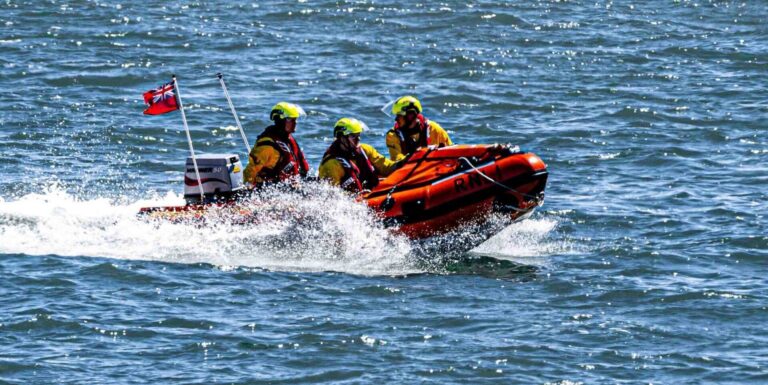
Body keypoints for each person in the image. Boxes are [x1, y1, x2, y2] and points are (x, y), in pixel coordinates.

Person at [319, 118, 400, 193]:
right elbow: (332, 197)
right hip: (353, 202)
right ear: (342, 138)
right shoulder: (331, 164)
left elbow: (387, 168)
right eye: (353, 136)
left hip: (371, 194)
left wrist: (406, 161)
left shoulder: (365, 149)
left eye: (358, 135)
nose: (358, 139)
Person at [243, 102, 310, 187]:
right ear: (280, 121)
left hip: (291, 187)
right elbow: (251, 171)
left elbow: (302, 167)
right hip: (271, 189)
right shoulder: (267, 145)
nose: (295, 122)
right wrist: (248, 188)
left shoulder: (289, 140)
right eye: (290, 119)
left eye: (295, 119)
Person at [385, 95, 452, 161]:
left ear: (410, 115)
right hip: (409, 170)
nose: (396, 119)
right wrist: (418, 155)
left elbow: (452, 152)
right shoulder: (393, 135)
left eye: (399, 115)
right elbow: (397, 160)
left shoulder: (434, 130)